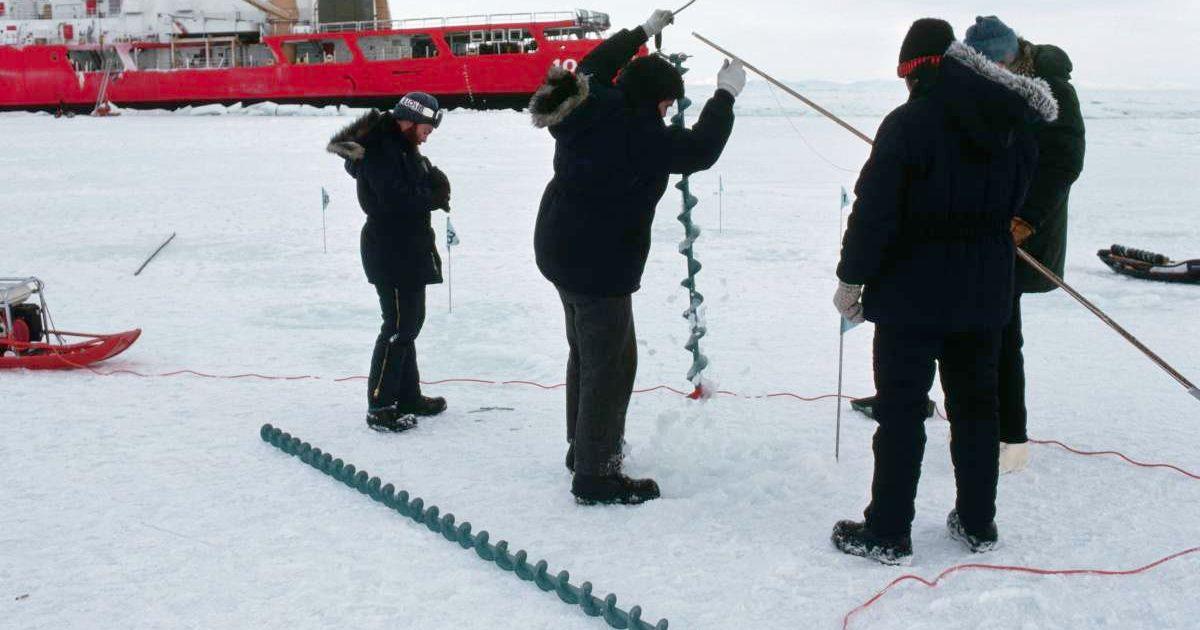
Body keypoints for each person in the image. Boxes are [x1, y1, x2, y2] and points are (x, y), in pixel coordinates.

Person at [830, 18, 1057, 564]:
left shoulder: (909, 123)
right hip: (984, 289)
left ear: (917, 70)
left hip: (912, 292)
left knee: (901, 412)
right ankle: (978, 523)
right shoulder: (1012, 120)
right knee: (977, 410)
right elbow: (1022, 195)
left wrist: (851, 277)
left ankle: (888, 531)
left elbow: (874, 210)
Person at [529, 9, 744, 505]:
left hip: (559, 247)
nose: (668, 113)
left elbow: (594, 62)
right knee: (610, 365)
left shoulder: (589, 101)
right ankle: (596, 476)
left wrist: (641, 33)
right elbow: (701, 148)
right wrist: (725, 95)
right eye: (667, 104)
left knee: (586, 353)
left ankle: (584, 449)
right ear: (656, 99)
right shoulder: (641, 136)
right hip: (598, 264)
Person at [964, 16, 1086, 474]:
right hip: (985, 224)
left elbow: (1064, 162)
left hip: (1023, 230)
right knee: (969, 326)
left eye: (992, 63)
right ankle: (965, 419)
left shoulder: (1052, 88)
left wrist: (1026, 220)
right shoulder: (992, 82)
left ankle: (1011, 438)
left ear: (1012, 55)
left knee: (1002, 332)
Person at [327, 92, 452, 432]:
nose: (427, 136)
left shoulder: (401, 145)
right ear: (410, 120)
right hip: (390, 249)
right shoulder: (382, 150)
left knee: (409, 324)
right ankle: (380, 405)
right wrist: (433, 195)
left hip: (407, 247)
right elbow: (395, 200)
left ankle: (408, 395)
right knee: (398, 326)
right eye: (426, 129)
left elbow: (415, 180)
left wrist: (434, 180)